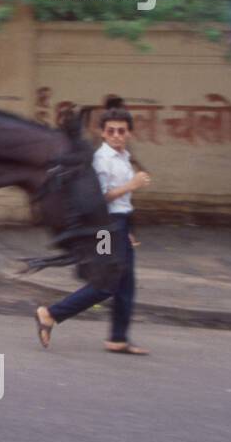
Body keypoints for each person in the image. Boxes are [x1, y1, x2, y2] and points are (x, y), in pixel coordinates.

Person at [35, 107, 151, 355]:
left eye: (121, 131)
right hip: (103, 228)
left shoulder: (122, 157)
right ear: (102, 132)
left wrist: (127, 229)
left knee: (127, 283)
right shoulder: (101, 160)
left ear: (129, 133)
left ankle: (118, 338)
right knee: (105, 282)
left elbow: (121, 203)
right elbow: (99, 199)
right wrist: (132, 185)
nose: (116, 135)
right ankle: (50, 314)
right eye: (111, 131)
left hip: (119, 224)